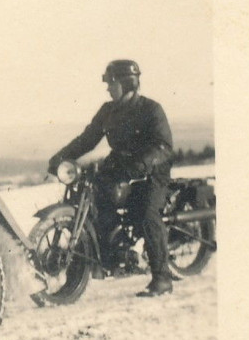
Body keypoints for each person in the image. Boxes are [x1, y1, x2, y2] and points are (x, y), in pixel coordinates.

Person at [48, 59, 175, 297]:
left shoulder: (151, 109)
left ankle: (162, 277)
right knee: (94, 201)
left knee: (147, 213)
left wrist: (142, 164)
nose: (108, 88)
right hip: (121, 166)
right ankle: (111, 255)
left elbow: (163, 147)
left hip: (151, 172)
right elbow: (87, 139)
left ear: (126, 84)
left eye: (111, 83)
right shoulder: (108, 111)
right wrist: (60, 158)